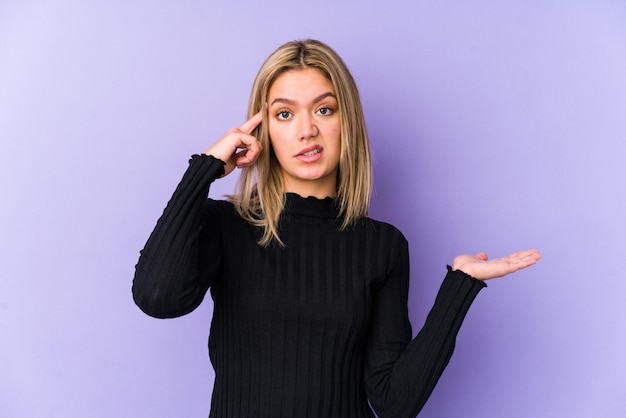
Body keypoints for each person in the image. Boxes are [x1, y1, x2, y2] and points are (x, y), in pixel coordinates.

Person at [132, 39, 541, 418]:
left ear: (347, 120)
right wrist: (204, 170)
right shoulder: (228, 225)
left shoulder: (382, 246)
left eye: (324, 109)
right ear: (263, 130)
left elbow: (394, 401)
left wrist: (460, 286)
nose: (306, 129)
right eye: (285, 113)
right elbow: (158, 298)